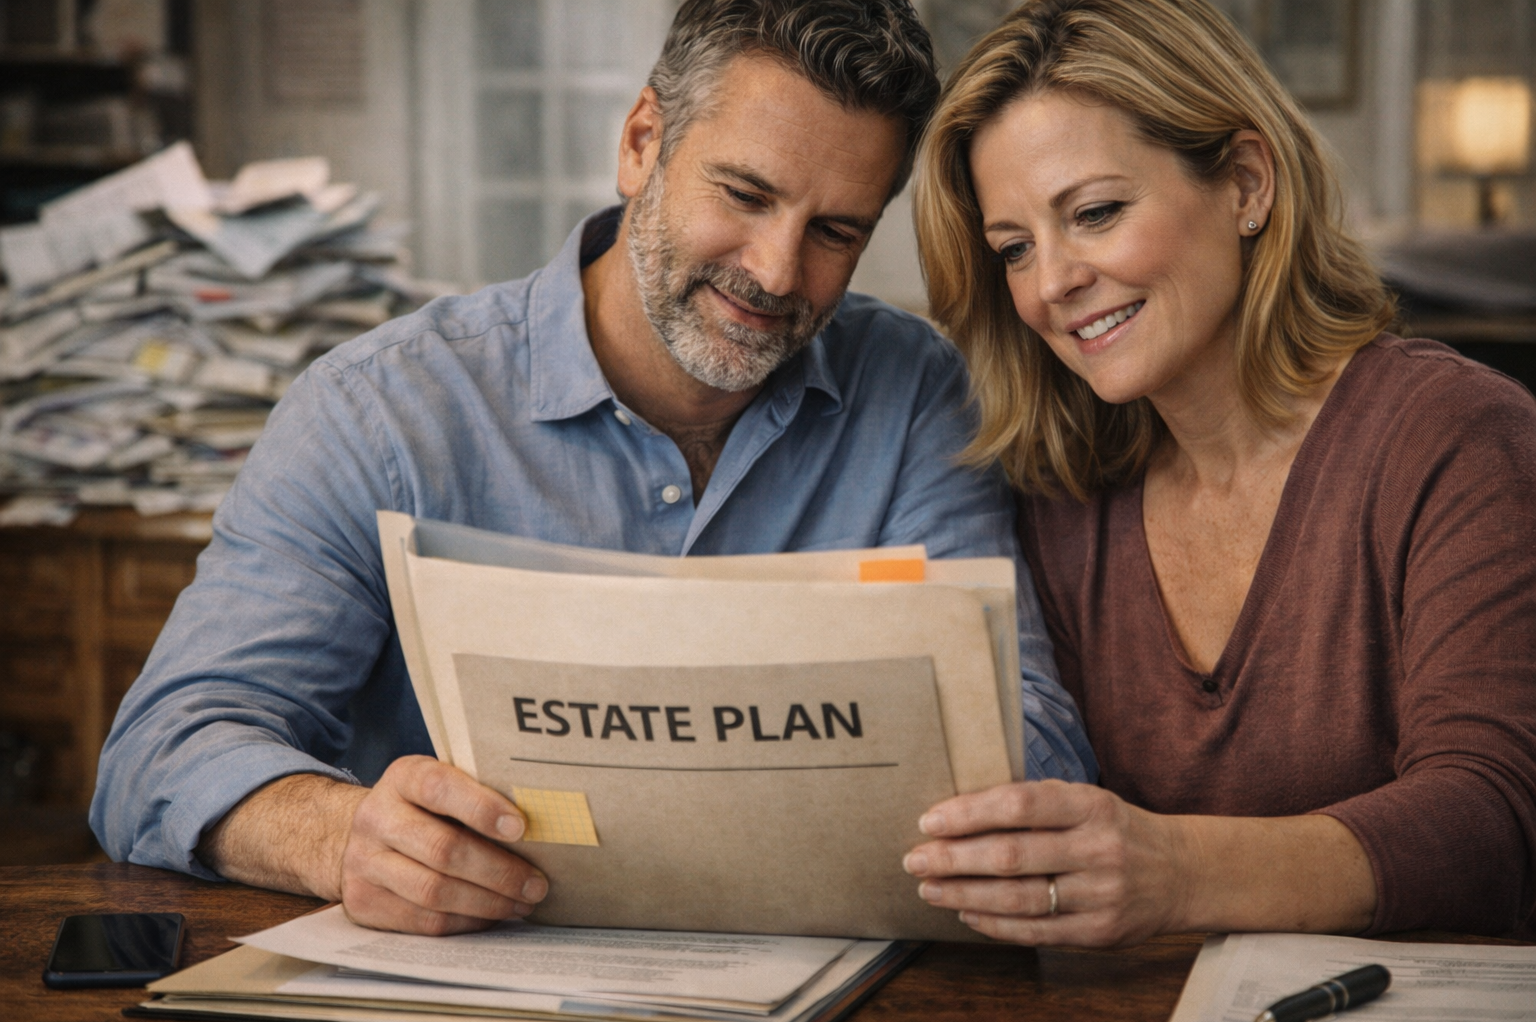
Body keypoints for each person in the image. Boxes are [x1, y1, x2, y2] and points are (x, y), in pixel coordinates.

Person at [91, 0, 1096, 936]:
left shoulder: (918, 393)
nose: (777, 271)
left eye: (837, 232)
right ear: (641, 142)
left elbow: (1032, 743)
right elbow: (164, 749)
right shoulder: (378, 411)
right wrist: (342, 835)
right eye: (745, 193)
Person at [903, 0, 1536, 945]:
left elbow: (1493, 821)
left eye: (1096, 213)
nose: (1051, 285)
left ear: (1246, 184)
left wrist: (1175, 871)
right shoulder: (1064, 497)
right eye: (1015, 250)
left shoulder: (1458, 438)